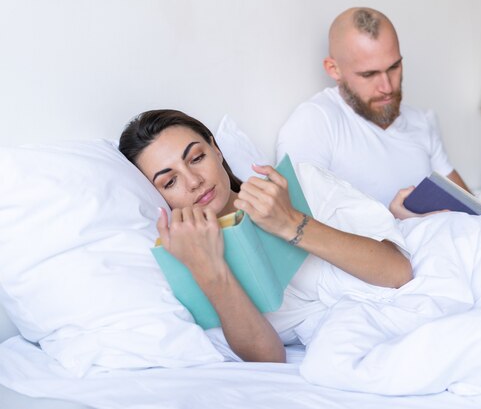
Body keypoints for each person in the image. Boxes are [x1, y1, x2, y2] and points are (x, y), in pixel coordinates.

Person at [118, 109, 413, 364]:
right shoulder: (186, 268)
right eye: (170, 181)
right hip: (354, 344)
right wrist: (209, 270)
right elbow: (268, 359)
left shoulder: (301, 181)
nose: (194, 181)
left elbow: (398, 271)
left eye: (196, 158)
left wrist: (291, 223)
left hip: (414, 302)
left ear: (216, 150)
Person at [276, 7, 469, 215]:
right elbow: (303, 228)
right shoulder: (314, 123)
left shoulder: (420, 121)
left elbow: (470, 208)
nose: (387, 87)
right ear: (334, 69)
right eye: (369, 74)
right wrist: (395, 226)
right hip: (394, 247)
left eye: (394, 67)